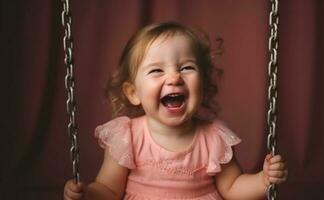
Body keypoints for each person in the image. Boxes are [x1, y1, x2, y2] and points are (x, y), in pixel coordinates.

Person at [64, 22, 288, 200]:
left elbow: (232, 187)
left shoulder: (213, 138)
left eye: (186, 67)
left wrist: (263, 180)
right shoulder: (127, 136)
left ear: (202, 84)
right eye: (157, 70)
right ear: (133, 93)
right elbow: (108, 190)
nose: (174, 78)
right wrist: (87, 194)